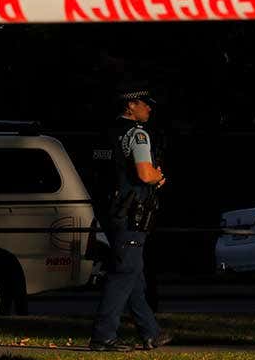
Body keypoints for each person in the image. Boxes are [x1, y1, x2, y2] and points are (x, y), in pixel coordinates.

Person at [90, 90, 172, 352]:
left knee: (133, 273)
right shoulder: (137, 134)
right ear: (130, 104)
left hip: (110, 210)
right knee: (124, 272)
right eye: (145, 104)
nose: (149, 108)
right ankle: (103, 336)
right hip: (131, 212)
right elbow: (144, 173)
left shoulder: (105, 133)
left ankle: (151, 332)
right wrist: (157, 176)